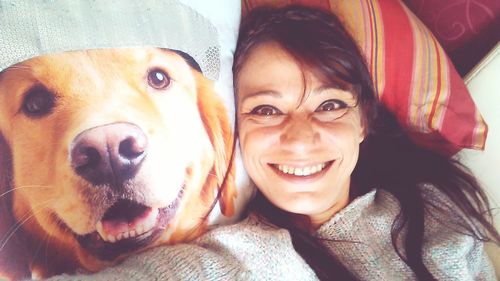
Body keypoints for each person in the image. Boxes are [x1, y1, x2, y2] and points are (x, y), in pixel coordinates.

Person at [46, 5, 499, 281]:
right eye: (266, 109)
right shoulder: (241, 259)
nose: (300, 138)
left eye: (329, 105)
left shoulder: (434, 204)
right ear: (233, 130)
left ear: (364, 121)